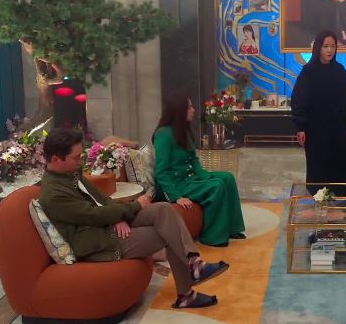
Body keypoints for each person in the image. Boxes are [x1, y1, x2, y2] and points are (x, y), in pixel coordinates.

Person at [38, 128, 229, 309]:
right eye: (76, 157)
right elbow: (93, 215)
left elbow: (103, 199)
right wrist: (135, 206)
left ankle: (193, 264)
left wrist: (117, 217)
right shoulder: (53, 195)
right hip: (98, 243)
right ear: (56, 159)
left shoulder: (71, 173)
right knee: (167, 232)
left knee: (164, 210)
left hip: (105, 225)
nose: (80, 162)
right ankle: (187, 293)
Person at [153, 91, 246, 247]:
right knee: (216, 186)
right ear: (179, 110)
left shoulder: (184, 130)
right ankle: (213, 237)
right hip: (174, 185)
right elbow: (160, 172)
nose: (193, 110)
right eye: (189, 107)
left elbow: (193, 159)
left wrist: (205, 176)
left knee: (227, 178)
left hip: (189, 179)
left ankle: (232, 228)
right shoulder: (163, 134)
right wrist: (177, 197)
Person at [291, 31, 346, 195]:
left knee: (338, 163)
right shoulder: (308, 71)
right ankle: (318, 197)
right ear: (318, 47)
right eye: (326, 46)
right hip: (315, 129)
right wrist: (300, 127)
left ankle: (339, 198)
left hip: (337, 128)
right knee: (317, 164)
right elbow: (299, 100)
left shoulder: (340, 71)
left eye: (333, 46)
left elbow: (345, 100)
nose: (330, 50)